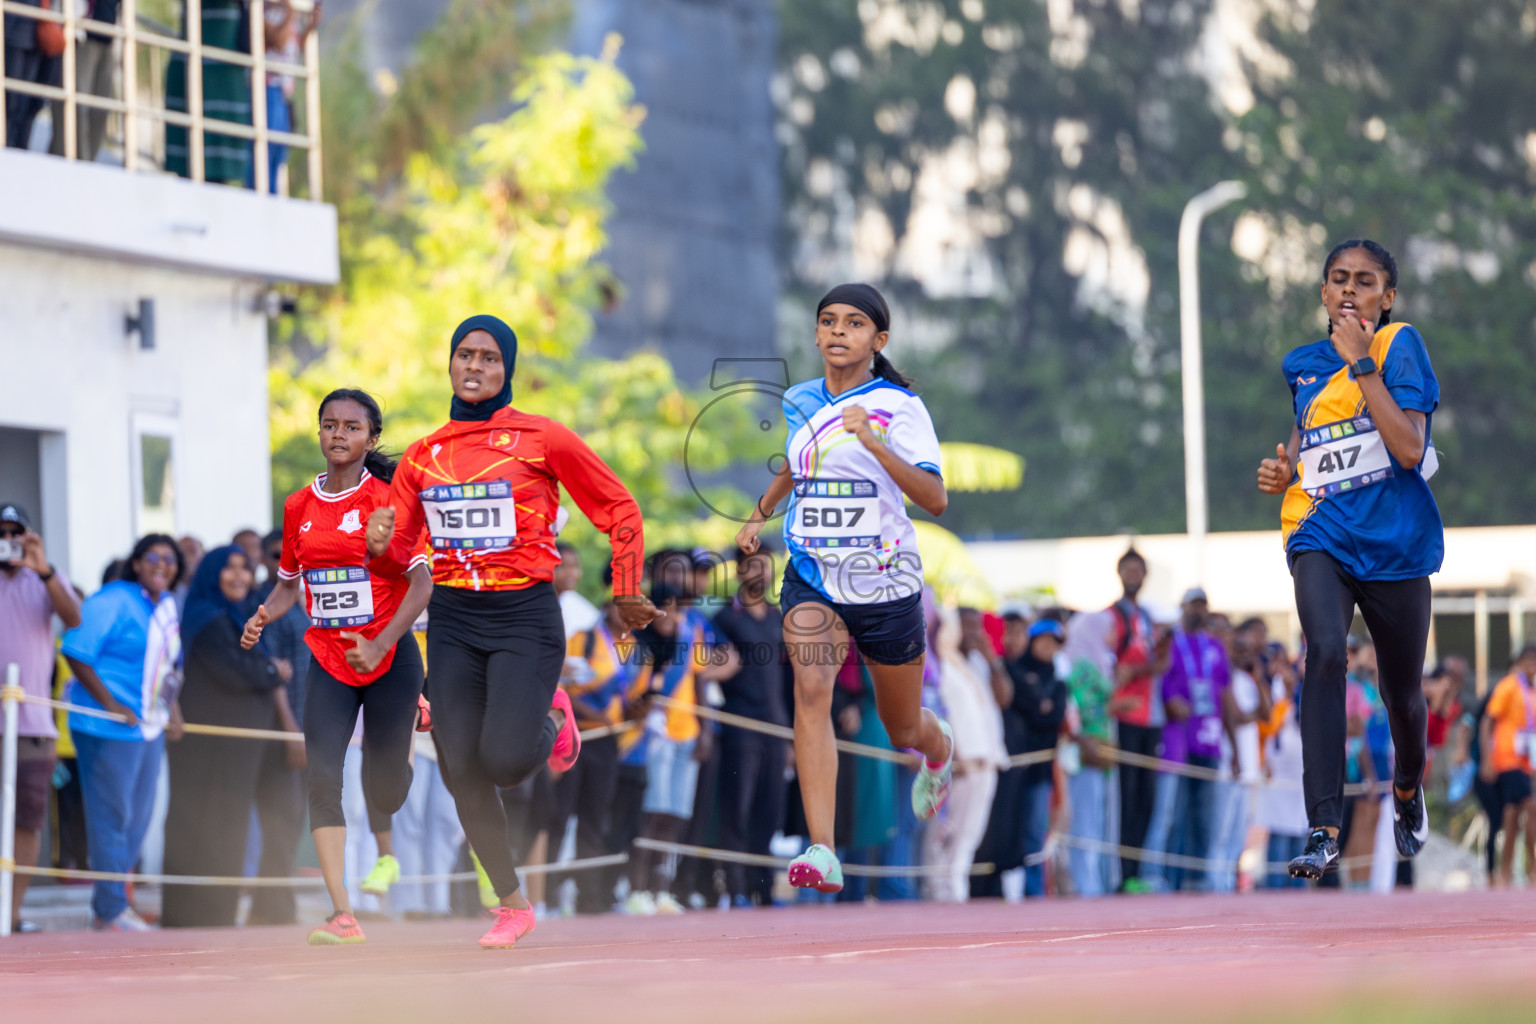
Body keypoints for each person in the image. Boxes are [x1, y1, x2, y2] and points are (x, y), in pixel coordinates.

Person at [366, 314, 659, 948]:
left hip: (524, 615)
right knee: (458, 765)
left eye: (489, 358)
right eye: (465, 355)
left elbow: (619, 508)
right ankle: (512, 904)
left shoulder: (542, 438)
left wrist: (628, 585)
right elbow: (399, 554)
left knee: (501, 762)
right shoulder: (421, 457)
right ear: (450, 364)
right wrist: (381, 544)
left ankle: (555, 721)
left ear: (508, 369)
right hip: (452, 618)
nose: (475, 367)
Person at [735, 282, 953, 895]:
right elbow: (798, 466)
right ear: (814, 334)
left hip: (884, 581)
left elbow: (934, 499)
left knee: (903, 727)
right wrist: (759, 513)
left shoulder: (901, 407)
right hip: (812, 573)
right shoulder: (801, 400)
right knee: (811, 688)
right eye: (827, 321)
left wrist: (874, 441)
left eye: (853, 324)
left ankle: (939, 751)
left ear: (878, 341)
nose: (837, 332)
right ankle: (823, 849)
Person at [1257, 239, 1441, 879]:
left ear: (1386, 299)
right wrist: (1287, 469)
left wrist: (1363, 362)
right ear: (1323, 292)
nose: (1349, 291)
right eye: (1338, 279)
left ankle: (1407, 788)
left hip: (1395, 544)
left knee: (1402, 695)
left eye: (1365, 282)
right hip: (1321, 530)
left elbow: (1409, 449)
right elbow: (1314, 437)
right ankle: (1324, 826)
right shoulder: (1301, 364)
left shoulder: (1398, 347)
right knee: (1326, 652)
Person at [242, 388, 434, 945]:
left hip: (391, 656)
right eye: (330, 424)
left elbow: (422, 585)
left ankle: (409, 720)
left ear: (371, 438)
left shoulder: (391, 501)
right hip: (328, 657)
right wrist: (262, 615)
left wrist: (384, 642)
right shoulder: (299, 505)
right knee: (323, 777)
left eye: (352, 427)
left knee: (385, 785)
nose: (339, 434)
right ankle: (342, 913)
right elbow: (287, 584)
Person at [61, 533, 185, 931]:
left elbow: (166, 667)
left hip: (148, 728)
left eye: (170, 558)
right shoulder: (113, 598)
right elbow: (77, 650)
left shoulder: (166, 605)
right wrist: (110, 703)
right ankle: (111, 910)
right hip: (107, 727)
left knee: (138, 820)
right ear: (137, 563)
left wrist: (173, 709)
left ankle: (112, 905)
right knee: (112, 818)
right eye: (153, 556)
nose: (162, 564)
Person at [161, 545, 285, 927]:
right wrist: (271, 672)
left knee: (228, 823)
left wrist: (266, 668)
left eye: (244, 569)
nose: (238, 576)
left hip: (236, 748)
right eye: (228, 568)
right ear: (211, 573)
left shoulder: (241, 617)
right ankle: (195, 917)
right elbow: (238, 671)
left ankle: (217, 914)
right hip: (208, 749)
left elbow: (254, 664)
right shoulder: (210, 618)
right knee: (204, 824)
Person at [0, 502, 81, 932]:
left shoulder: (44, 578)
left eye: (17, 532)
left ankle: (10, 914)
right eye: (2, 531)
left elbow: (73, 619)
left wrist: (43, 568)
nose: (8, 540)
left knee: (26, 821)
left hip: (32, 725)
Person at [710, 544, 792, 907]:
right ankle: (735, 887)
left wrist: (791, 734)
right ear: (741, 571)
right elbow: (710, 670)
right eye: (754, 565)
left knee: (769, 810)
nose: (762, 572)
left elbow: (789, 681)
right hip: (739, 725)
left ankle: (764, 889)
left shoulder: (778, 617)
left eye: (767, 566)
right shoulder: (724, 619)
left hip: (776, 727)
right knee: (736, 808)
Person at [1141, 589, 1228, 892]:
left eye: (1203, 605)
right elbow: (1161, 681)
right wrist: (1170, 701)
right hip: (1176, 740)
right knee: (1172, 816)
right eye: (1193, 604)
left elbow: (1224, 694)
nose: (1199, 610)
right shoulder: (1172, 643)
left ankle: (1197, 878)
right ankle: (1161, 878)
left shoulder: (1215, 646)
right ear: (1182, 607)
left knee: (1204, 818)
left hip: (1210, 740)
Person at [247, 527, 311, 926]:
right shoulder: (264, 604)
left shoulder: (308, 602)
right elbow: (273, 673)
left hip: (308, 727)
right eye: (275, 555)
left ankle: (271, 909)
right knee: (280, 821)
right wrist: (291, 732)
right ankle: (272, 912)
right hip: (278, 732)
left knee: (291, 821)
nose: (284, 563)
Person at [924, 604, 1008, 902]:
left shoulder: (974, 664)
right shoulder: (941, 667)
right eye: (966, 626)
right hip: (961, 764)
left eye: (977, 626)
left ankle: (955, 889)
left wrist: (992, 659)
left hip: (987, 760)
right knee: (949, 834)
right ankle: (942, 892)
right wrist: (952, 756)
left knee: (970, 835)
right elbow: (941, 713)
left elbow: (1004, 698)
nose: (973, 633)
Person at [1105, 549, 1161, 891]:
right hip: (1124, 715)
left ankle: (1136, 872)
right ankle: (1123, 874)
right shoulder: (1113, 616)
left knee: (1146, 800)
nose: (1132, 574)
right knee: (1124, 799)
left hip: (1149, 718)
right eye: (1127, 568)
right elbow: (1114, 668)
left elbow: (1149, 665)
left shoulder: (1148, 618)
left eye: (1138, 569)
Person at [1060, 609, 1122, 898]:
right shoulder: (1081, 665)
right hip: (1086, 754)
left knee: (1094, 822)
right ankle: (1084, 886)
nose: (1112, 637)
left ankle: (1093, 883)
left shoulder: (1098, 662)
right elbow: (1084, 711)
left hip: (1100, 753)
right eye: (1109, 630)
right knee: (1084, 824)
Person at [1211, 618, 1271, 893]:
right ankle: (1215, 882)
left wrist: (1258, 679)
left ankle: (1228, 882)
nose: (1244, 655)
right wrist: (1249, 717)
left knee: (1238, 832)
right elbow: (1233, 716)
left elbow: (1266, 714)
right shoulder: (1224, 675)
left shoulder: (1247, 680)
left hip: (1248, 766)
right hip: (1227, 762)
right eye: (1239, 649)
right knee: (1220, 829)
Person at [1478, 646, 1536, 887]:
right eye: (1528, 661)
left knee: (1511, 815)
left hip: (1527, 761)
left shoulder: (1532, 691)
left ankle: (1505, 872)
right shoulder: (1509, 686)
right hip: (1507, 758)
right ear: (1521, 662)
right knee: (1531, 807)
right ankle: (1531, 868)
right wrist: (1486, 759)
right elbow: (1486, 722)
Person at [45, 0, 120, 161]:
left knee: (100, 110)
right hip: (79, 34)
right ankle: (70, 164)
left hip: (107, 36)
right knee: (73, 108)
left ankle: (85, 165)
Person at [555, 541, 600, 638]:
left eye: (575, 566)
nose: (571, 573)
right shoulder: (537, 605)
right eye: (563, 566)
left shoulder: (582, 609)